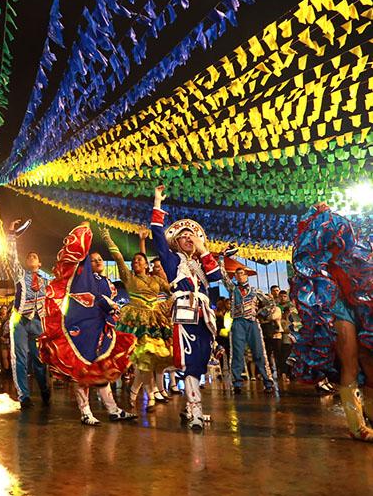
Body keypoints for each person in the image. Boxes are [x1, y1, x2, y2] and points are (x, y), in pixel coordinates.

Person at [39, 222, 137, 425]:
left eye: (100, 259)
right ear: (86, 264)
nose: (99, 261)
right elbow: (78, 257)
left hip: (101, 329)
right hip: (82, 328)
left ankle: (112, 409)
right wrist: (85, 233)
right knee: (81, 369)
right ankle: (85, 411)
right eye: (94, 259)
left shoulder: (107, 282)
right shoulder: (82, 278)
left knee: (100, 371)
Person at [290, 203, 373, 441]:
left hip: (360, 305)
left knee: (369, 362)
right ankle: (356, 425)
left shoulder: (357, 251)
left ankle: (370, 414)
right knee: (351, 362)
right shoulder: (315, 262)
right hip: (336, 306)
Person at [150, 185, 223, 430]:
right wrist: (158, 203)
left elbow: (216, 278)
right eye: (184, 236)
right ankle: (196, 411)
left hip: (204, 315)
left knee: (201, 360)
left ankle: (189, 407)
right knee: (190, 359)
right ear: (177, 241)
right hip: (185, 311)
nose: (188, 238)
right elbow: (157, 234)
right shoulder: (172, 260)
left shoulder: (202, 263)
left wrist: (204, 251)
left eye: (192, 235)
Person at [99, 227, 173, 411]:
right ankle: (149, 397)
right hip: (135, 320)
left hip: (155, 320)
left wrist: (166, 304)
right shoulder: (128, 277)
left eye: (139, 260)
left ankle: (134, 392)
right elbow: (117, 258)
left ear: (146, 265)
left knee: (147, 360)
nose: (135, 263)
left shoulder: (156, 280)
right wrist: (107, 238)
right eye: (134, 261)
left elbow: (174, 290)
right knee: (142, 358)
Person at [6, 220, 53, 408]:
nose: (32, 257)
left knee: (40, 359)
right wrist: (11, 235)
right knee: (20, 358)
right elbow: (10, 257)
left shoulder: (46, 281)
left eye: (35, 256)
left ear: (40, 263)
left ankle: (43, 387)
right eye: (29, 256)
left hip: (37, 321)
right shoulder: (19, 275)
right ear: (26, 262)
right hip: (19, 320)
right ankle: (23, 396)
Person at [219, 260, 277, 394]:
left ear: (247, 276)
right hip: (238, 323)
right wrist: (222, 259)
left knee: (259, 352)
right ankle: (237, 383)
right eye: (237, 274)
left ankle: (268, 382)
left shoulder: (255, 291)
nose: (240, 276)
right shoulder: (232, 289)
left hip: (252, 322)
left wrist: (261, 313)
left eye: (242, 274)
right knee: (237, 353)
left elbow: (271, 303)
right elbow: (223, 275)